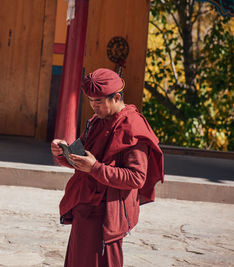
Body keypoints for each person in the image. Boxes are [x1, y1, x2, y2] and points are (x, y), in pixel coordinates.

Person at [51, 68, 164, 267]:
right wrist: (62, 153)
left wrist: (95, 168)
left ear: (116, 97)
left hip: (106, 213)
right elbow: (81, 158)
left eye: (98, 102)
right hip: (84, 207)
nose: (93, 106)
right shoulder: (97, 121)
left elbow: (136, 178)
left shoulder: (132, 126)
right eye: (91, 101)